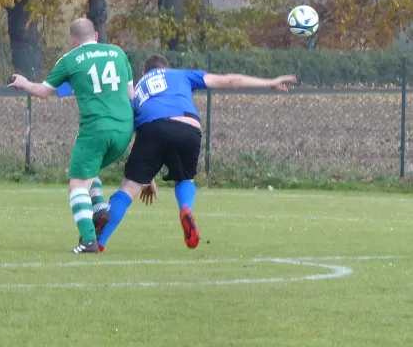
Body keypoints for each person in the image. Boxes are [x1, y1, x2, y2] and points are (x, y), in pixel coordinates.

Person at [96, 54, 297, 251]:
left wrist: (146, 179)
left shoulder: (136, 90)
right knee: (185, 179)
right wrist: (270, 82)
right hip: (188, 127)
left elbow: (141, 137)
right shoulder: (180, 74)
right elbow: (230, 80)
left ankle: (99, 242)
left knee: (129, 188)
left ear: (144, 72)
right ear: (167, 68)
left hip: (152, 128)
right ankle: (186, 208)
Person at [9, 18, 134, 253]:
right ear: (96, 36)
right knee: (89, 166)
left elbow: (44, 92)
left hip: (96, 128)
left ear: (72, 40)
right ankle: (98, 207)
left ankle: (88, 241)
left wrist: (24, 83)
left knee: (77, 183)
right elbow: (130, 94)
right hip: (124, 130)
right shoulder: (117, 53)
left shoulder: (70, 60)